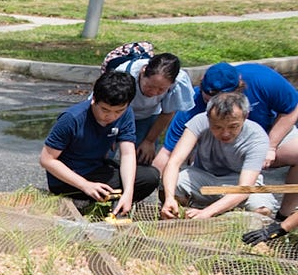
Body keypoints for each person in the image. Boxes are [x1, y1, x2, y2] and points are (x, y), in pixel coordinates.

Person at [40, 68, 160, 215]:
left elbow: (128, 153)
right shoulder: (72, 119)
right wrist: (85, 185)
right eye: (105, 110)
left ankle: (115, 204)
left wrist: (129, 193)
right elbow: (47, 160)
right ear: (94, 99)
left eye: (118, 111)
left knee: (150, 177)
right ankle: (93, 203)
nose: (111, 116)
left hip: (97, 168)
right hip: (68, 178)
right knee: (115, 184)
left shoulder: (126, 113)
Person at [156, 62, 298, 184]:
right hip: (217, 152)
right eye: (208, 100)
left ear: (239, 89)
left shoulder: (263, 79)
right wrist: (153, 184)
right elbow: (168, 153)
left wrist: (271, 147)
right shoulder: (192, 104)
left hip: (264, 137)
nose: (215, 105)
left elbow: (292, 108)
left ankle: (286, 212)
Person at [159, 91, 273, 220]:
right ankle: (183, 213)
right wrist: (169, 198)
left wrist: (208, 212)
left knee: (262, 209)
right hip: (203, 177)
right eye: (217, 127)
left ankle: (216, 214)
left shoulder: (257, 137)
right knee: (171, 184)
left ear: (245, 116)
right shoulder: (198, 122)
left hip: (239, 183)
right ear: (208, 118)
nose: (225, 133)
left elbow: (245, 188)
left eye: (233, 127)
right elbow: (174, 162)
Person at [101, 52, 193, 165]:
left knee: (142, 157)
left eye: (161, 90)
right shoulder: (125, 73)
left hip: (147, 116)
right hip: (115, 114)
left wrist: (149, 141)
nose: (154, 92)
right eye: (149, 86)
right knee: (102, 153)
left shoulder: (179, 82)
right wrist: (105, 133)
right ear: (142, 72)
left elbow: (167, 113)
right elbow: (103, 106)